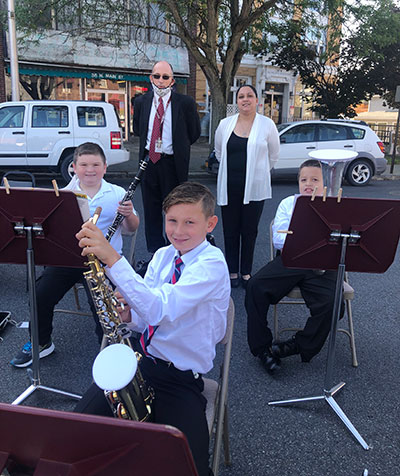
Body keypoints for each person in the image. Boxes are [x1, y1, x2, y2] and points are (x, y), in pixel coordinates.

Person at [74, 182, 230, 476]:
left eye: (189, 222)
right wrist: (130, 315)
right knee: (77, 431)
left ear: (210, 224)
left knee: (188, 465)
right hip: (140, 363)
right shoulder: (162, 256)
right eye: (172, 221)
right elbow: (149, 318)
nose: (178, 231)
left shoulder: (212, 264)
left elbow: (160, 308)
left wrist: (112, 258)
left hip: (179, 377)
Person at [10, 142, 139, 368]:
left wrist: (128, 215)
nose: (90, 170)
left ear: (105, 167)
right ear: (74, 167)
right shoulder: (62, 194)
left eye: (96, 164)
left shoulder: (117, 193)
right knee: (40, 294)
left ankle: (110, 351)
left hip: (104, 260)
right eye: (84, 164)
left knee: (103, 303)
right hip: (69, 258)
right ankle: (41, 342)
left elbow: (131, 230)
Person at [245, 159, 344, 374]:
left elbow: (343, 241)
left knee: (333, 303)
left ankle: (298, 345)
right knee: (254, 287)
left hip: (324, 262)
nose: (308, 184)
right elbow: (279, 240)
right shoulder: (289, 203)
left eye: (315, 179)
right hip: (292, 259)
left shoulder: (334, 204)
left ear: (325, 183)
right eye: (304, 179)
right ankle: (262, 349)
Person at [133, 61, 201, 261]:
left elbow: (194, 133)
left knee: (175, 210)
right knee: (151, 209)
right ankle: (155, 253)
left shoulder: (185, 103)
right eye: (157, 76)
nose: (160, 81)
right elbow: (138, 129)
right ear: (150, 78)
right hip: (149, 161)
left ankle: (176, 251)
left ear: (172, 80)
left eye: (165, 77)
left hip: (173, 163)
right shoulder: (141, 102)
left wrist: (179, 146)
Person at [214, 84, 280, 289]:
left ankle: (246, 272)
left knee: (249, 231)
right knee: (230, 230)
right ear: (237, 101)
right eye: (241, 96)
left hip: (255, 189)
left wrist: (257, 174)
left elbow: (273, 155)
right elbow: (218, 152)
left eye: (249, 96)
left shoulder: (267, 125)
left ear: (257, 100)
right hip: (229, 187)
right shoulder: (225, 124)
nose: (245, 99)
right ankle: (232, 270)